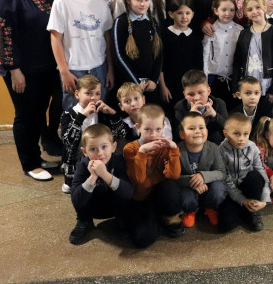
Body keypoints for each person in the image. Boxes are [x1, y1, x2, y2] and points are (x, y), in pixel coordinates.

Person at [0, 0, 60, 181]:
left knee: (38, 114)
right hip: (22, 69)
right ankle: (29, 164)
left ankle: (37, 157)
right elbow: (0, 35)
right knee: (26, 115)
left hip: (45, 65)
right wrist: (13, 69)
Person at [48, 0, 114, 111]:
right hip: (74, 69)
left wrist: (110, 70)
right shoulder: (62, 2)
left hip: (99, 67)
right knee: (75, 114)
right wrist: (64, 72)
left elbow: (107, 38)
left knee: (98, 114)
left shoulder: (101, 4)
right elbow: (56, 39)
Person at [23, 0, 66, 156]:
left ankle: (52, 131)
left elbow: (66, 2)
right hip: (34, 44)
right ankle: (43, 135)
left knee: (59, 93)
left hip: (57, 40)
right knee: (38, 97)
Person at [123, 104, 183, 247]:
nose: (153, 135)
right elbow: (140, 180)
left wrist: (174, 150)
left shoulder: (166, 147)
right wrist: (142, 152)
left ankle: (170, 218)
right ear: (138, 127)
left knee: (170, 188)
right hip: (141, 198)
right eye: (147, 129)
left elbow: (174, 176)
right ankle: (154, 219)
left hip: (160, 193)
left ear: (163, 127)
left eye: (158, 129)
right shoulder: (130, 149)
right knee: (142, 239)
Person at [60, 75, 128, 193]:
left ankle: (102, 177)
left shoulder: (102, 113)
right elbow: (68, 142)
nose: (93, 98)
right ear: (77, 94)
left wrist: (113, 114)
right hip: (78, 160)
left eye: (97, 94)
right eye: (88, 93)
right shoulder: (68, 114)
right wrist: (81, 117)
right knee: (76, 188)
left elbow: (122, 134)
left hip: (101, 156)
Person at [69, 123, 133, 244]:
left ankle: (122, 220)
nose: (100, 153)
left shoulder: (119, 162)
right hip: (93, 208)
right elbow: (76, 200)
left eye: (104, 147)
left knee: (122, 188)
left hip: (115, 207)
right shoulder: (82, 165)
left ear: (113, 147)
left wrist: (105, 175)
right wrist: (93, 177)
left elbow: (129, 193)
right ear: (85, 151)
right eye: (93, 149)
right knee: (79, 190)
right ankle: (85, 221)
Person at [112, 0, 163, 105]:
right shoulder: (121, 22)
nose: (143, 3)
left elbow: (159, 53)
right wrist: (135, 82)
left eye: (146, 0)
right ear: (128, 0)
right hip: (129, 84)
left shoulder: (153, 22)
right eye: (138, 0)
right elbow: (118, 56)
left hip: (150, 85)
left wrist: (154, 80)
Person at [218, 113, 270, 232]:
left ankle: (253, 211)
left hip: (248, 187)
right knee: (226, 225)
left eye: (246, 134)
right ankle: (244, 208)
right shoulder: (220, 151)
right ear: (226, 134)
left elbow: (262, 172)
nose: (241, 138)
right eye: (236, 134)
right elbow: (226, 181)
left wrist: (264, 200)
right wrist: (243, 201)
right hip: (231, 192)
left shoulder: (253, 148)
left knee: (255, 176)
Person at [176, 112, 227, 228]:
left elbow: (222, 172)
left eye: (201, 128)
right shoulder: (177, 151)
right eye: (191, 128)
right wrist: (192, 181)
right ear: (182, 134)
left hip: (209, 186)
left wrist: (203, 176)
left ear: (207, 132)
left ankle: (211, 209)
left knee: (219, 189)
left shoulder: (213, 148)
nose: (197, 131)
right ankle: (190, 211)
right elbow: (173, 177)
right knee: (185, 196)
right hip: (188, 186)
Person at [232, 0, 273, 102]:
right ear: (246, 13)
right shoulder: (244, 33)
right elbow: (237, 61)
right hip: (247, 82)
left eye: (258, 7)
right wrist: (235, 86)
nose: (254, 11)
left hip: (266, 83)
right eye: (250, 9)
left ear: (264, 8)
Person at [159, 0, 203, 118]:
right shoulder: (164, 34)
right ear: (171, 14)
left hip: (189, 86)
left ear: (192, 14)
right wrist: (163, 87)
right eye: (179, 13)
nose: (184, 17)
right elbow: (160, 63)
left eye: (187, 13)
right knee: (172, 115)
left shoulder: (195, 36)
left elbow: (199, 65)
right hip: (170, 85)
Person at [202, 0, 243, 105]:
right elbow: (206, 54)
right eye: (223, 10)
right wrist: (205, 78)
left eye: (231, 10)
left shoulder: (240, 30)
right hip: (213, 78)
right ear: (216, 11)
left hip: (233, 79)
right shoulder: (211, 29)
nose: (227, 13)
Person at [174, 70, 228, 144]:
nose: (196, 98)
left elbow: (229, 129)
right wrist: (191, 116)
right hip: (191, 146)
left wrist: (215, 115)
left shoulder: (219, 104)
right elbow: (178, 135)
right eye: (191, 94)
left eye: (200, 92)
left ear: (208, 91)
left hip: (216, 146)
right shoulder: (180, 106)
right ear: (185, 95)